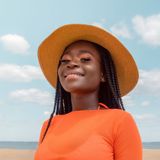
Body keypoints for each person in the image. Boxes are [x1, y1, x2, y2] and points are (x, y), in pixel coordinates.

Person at [34, 24, 142, 160]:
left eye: (85, 59)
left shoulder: (120, 121)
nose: (71, 63)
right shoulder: (49, 125)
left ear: (103, 74)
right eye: (64, 60)